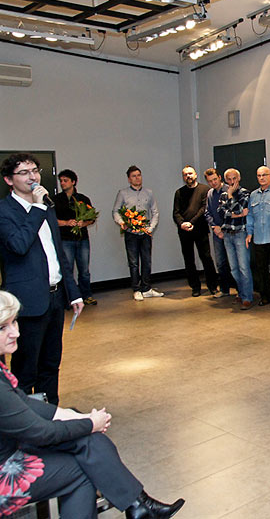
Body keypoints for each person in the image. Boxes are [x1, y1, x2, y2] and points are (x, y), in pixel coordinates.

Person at [0, 290, 185, 518]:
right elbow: (41, 433)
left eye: (14, 322)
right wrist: (90, 424)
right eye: (3, 327)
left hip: (12, 446)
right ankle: (138, 505)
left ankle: (138, 504)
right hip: (5, 468)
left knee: (87, 437)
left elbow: (23, 403)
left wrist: (72, 415)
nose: (15, 332)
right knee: (83, 471)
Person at [0, 154, 83, 406]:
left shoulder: (46, 209)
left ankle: (51, 415)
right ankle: (27, 421)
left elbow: (58, 255)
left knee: (50, 364)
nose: (32, 177)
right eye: (24, 172)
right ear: (9, 180)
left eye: (35, 170)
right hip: (28, 302)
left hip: (55, 298)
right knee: (26, 368)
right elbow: (19, 245)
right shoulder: (5, 211)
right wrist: (36, 208)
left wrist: (73, 292)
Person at [112, 166, 163, 301]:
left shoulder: (149, 193)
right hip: (131, 233)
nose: (137, 178)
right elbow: (116, 211)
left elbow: (155, 212)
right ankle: (136, 289)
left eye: (139, 175)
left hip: (145, 232)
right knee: (134, 262)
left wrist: (150, 228)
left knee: (147, 261)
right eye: (134, 176)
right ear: (129, 179)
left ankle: (146, 288)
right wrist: (121, 222)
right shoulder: (123, 193)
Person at [172, 166, 218, 297]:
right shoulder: (179, 193)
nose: (188, 176)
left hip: (200, 229)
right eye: (185, 174)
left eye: (190, 173)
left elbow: (204, 209)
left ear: (195, 175)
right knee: (189, 259)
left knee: (206, 258)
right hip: (184, 231)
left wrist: (191, 222)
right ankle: (195, 287)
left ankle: (213, 286)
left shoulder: (205, 190)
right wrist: (182, 224)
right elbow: (176, 212)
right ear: (183, 177)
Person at [54, 169, 97, 306]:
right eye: (61, 181)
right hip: (65, 239)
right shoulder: (56, 200)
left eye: (65, 180)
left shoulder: (83, 199)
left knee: (84, 270)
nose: (62, 183)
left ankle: (87, 295)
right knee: (67, 270)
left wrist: (83, 223)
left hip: (82, 239)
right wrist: (66, 223)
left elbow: (92, 218)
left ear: (73, 182)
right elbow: (52, 220)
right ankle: (69, 298)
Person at [246, 166, 270, 307]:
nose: (262, 178)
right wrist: (249, 233)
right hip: (258, 238)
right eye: (259, 175)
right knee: (261, 270)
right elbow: (250, 216)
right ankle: (265, 296)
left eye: (264, 175)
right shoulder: (253, 195)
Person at [217, 169, 253, 310]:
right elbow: (221, 213)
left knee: (244, 267)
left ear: (239, 178)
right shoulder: (223, 195)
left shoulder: (245, 193)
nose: (232, 182)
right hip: (227, 234)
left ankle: (247, 297)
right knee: (233, 268)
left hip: (240, 233)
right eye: (229, 179)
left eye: (234, 178)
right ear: (226, 180)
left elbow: (240, 209)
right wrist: (236, 214)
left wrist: (231, 197)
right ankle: (241, 292)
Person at [203, 168, 233, 298]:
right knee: (220, 262)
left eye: (215, 179)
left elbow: (232, 211)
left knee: (233, 263)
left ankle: (240, 292)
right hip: (217, 233)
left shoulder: (229, 190)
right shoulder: (210, 193)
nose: (213, 183)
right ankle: (224, 290)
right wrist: (214, 226)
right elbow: (207, 212)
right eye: (210, 181)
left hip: (230, 232)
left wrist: (222, 228)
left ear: (219, 177)